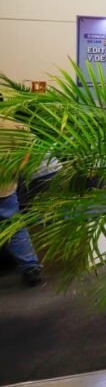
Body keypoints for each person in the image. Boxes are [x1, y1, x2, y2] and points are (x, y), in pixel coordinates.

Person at [0, 117, 43, 287]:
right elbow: (29, 150)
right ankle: (30, 268)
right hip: (5, 185)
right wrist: (16, 171)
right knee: (14, 226)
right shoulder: (15, 126)